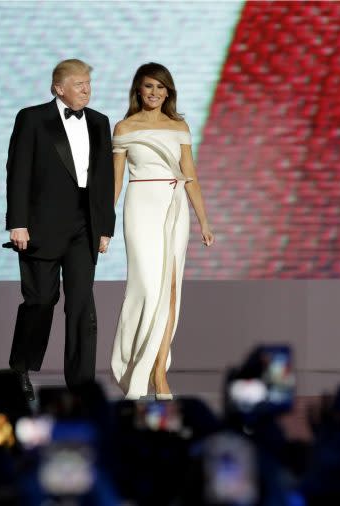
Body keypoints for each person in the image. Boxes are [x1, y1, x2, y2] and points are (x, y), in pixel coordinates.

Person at [5, 59, 115, 400]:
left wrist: (105, 226)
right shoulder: (33, 118)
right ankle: (21, 369)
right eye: (79, 83)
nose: (86, 89)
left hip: (85, 224)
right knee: (40, 301)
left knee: (82, 303)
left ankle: (80, 382)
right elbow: (18, 171)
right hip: (41, 226)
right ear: (59, 88)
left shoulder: (99, 121)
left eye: (88, 83)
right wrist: (17, 222)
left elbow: (104, 178)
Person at [110, 62, 214, 399]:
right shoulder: (124, 127)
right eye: (148, 86)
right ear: (138, 90)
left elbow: (191, 175)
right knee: (147, 290)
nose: (154, 93)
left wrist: (204, 220)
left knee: (170, 291)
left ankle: (158, 373)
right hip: (140, 206)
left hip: (175, 207)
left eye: (160, 87)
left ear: (168, 92)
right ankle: (131, 364)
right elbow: (116, 182)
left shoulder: (179, 126)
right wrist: (103, 225)